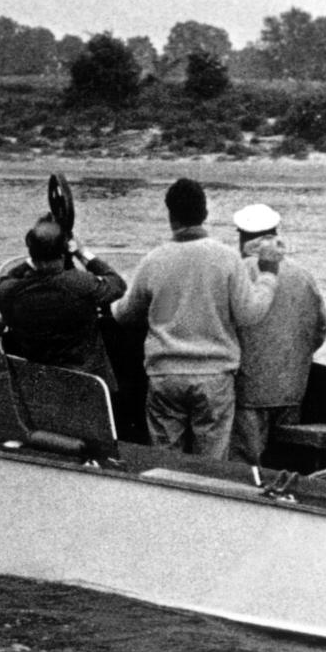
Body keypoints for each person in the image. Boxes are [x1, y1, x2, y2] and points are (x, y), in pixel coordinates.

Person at [111, 178, 281, 459]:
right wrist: (268, 276)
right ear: (205, 213)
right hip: (214, 376)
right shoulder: (226, 258)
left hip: (165, 374)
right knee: (211, 463)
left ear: (171, 215)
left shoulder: (154, 260)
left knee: (165, 461)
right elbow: (249, 314)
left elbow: (125, 314)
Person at [228, 203, 326, 466]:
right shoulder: (303, 275)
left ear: (242, 237)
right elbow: (320, 330)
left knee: (245, 466)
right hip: (292, 388)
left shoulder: (238, 272)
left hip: (247, 391)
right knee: (284, 462)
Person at [0, 215, 126, 391]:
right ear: (63, 252)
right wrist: (81, 252)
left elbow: (0, 285)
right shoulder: (81, 284)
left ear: (31, 252)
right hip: (88, 388)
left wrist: (30, 260)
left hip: (37, 388)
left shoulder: (10, 292)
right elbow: (117, 284)